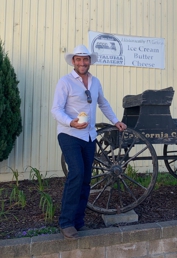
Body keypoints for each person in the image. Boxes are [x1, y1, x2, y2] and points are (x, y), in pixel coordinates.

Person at [51, 44, 127, 240]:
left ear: (89, 61)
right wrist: (71, 122)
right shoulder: (65, 82)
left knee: (85, 179)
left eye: (85, 59)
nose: (82, 63)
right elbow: (56, 109)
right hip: (69, 134)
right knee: (76, 173)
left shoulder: (95, 82)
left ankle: (78, 221)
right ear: (73, 62)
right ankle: (66, 223)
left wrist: (116, 121)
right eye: (78, 59)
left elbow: (103, 102)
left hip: (89, 136)